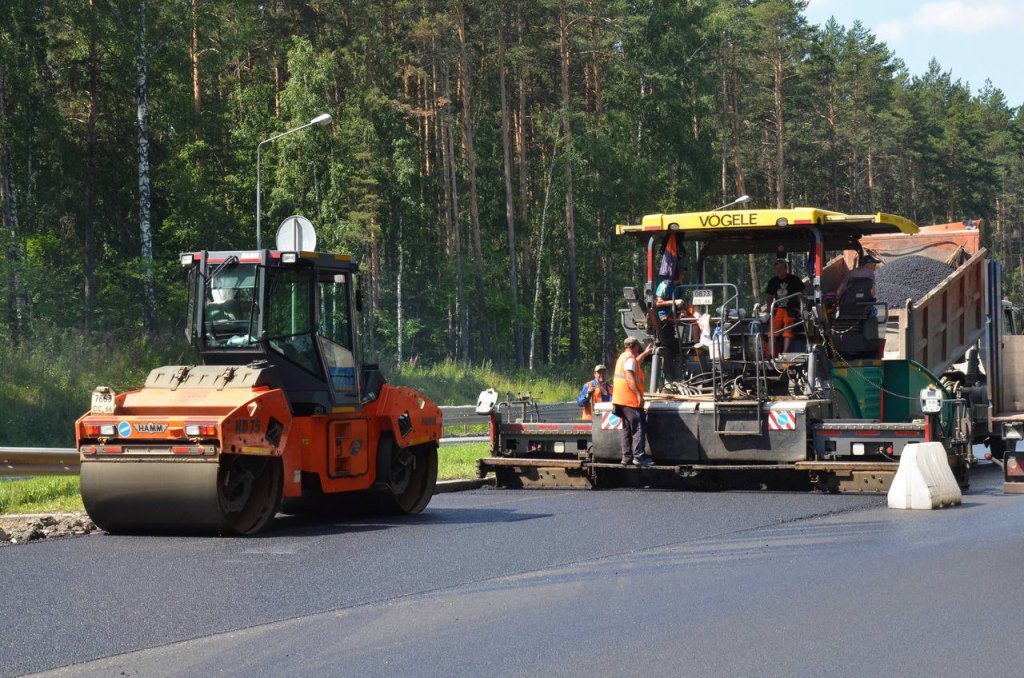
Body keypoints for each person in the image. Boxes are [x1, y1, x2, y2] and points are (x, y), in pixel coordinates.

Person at [612, 336, 655, 467]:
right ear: (634, 346)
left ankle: (626, 457)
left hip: (620, 400)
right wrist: (638, 395)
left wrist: (646, 353)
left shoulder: (624, 357)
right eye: (638, 347)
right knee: (638, 428)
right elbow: (630, 377)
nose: (638, 349)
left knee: (626, 428)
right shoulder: (629, 359)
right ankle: (639, 457)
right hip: (630, 400)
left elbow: (636, 362)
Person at [764, 259, 806, 355]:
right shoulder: (773, 281)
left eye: (781, 268)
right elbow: (769, 298)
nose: (779, 270)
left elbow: (802, 295)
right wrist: (767, 311)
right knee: (772, 331)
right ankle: (770, 353)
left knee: (788, 329)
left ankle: (784, 353)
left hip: (791, 309)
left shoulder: (794, 279)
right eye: (776, 269)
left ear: (786, 269)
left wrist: (803, 308)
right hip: (778, 309)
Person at [654, 268, 689, 381]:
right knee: (667, 349)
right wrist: (674, 302)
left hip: (673, 318)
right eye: (682, 273)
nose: (683, 275)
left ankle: (678, 376)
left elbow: (683, 304)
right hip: (662, 318)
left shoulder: (679, 288)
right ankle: (668, 378)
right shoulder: (664, 285)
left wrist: (683, 311)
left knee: (678, 348)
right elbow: (658, 302)